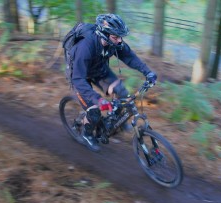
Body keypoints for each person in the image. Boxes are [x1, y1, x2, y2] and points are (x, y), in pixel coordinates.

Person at [67, 13, 157, 151]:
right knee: (94, 111)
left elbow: (129, 56)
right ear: (104, 34)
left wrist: (148, 72)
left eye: (120, 37)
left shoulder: (114, 41)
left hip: (98, 70)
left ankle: (115, 122)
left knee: (122, 93)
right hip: (79, 75)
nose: (120, 41)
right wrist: (97, 99)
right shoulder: (85, 46)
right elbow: (78, 78)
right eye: (116, 37)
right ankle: (87, 134)